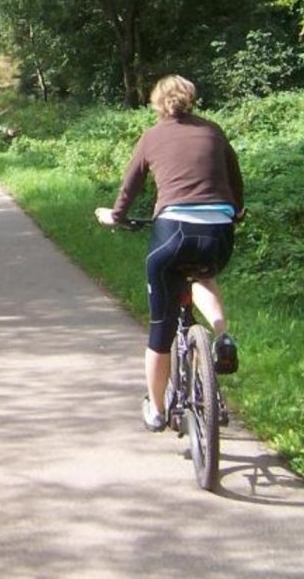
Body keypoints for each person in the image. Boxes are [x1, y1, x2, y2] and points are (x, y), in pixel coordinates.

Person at [95, 74, 242, 433]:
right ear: (191, 99)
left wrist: (116, 215)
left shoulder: (152, 136)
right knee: (204, 275)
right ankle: (222, 336)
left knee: (160, 331)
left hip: (172, 231)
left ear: (157, 104)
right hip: (218, 233)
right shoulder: (213, 131)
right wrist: (236, 210)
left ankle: (157, 410)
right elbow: (234, 178)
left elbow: (131, 184)